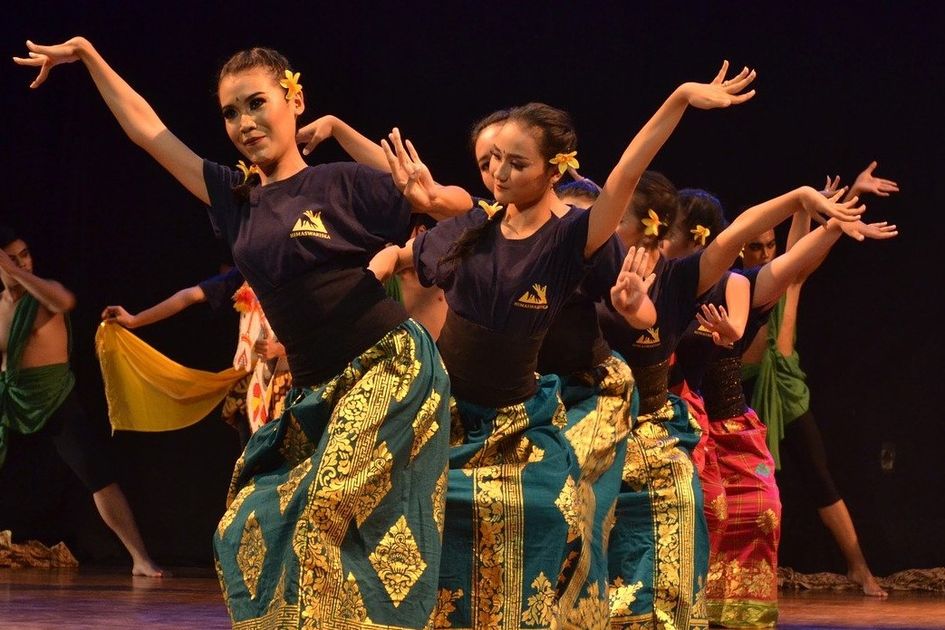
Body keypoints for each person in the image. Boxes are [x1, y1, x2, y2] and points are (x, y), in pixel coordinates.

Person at [17, 37, 453, 628]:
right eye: (230, 112)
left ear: (294, 100)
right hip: (317, 389)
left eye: (256, 103)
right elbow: (149, 132)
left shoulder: (341, 183)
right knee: (252, 523)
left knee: (326, 508)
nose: (245, 122)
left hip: (387, 365)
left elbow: (457, 209)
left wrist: (418, 187)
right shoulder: (235, 199)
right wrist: (89, 56)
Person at [371, 61, 761, 628]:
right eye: (490, 161)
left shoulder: (568, 239)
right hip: (459, 408)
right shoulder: (476, 226)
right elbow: (406, 252)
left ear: (554, 169)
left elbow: (627, 175)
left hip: (540, 407)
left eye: (516, 162)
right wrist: (378, 265)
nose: (498, 173)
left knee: (559, 514)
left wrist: (677, 98)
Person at [599, 159, 865, 626]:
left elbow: (789, 266)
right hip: (659, 417)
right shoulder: (648, 282)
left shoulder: (728, 282)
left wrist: (827, 219)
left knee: (760, 507)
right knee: (697, 508)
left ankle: (730, 613)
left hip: (715, 419)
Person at [740, 162, 899, 598]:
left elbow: (806, 244)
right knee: (753, 489)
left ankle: (859, 568)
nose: (765, 254)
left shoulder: (787, 280)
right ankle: (747, 575)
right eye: (755, 247)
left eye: (770, 246)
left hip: (788, 393)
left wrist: (851, 194)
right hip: (746, 393)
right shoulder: (737, 286)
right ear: (741, 250)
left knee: (820, 479)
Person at [0, 225, 164, 577]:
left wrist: (15, 272)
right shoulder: (0, 307)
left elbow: (65, 301)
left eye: (25, 255)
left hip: (54, 396)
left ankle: (140, 558)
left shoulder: (44, 294)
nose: (23, 262)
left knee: (96, 472)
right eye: (12, 258)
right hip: (12, 397)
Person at [102, 268, 291, 446]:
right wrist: (134, 320)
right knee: (254, 460)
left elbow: (310, 328)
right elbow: (189, 296)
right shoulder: (244, 273)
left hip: (293, 379)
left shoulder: (293, 270)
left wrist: (279, 349)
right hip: (254, 387)